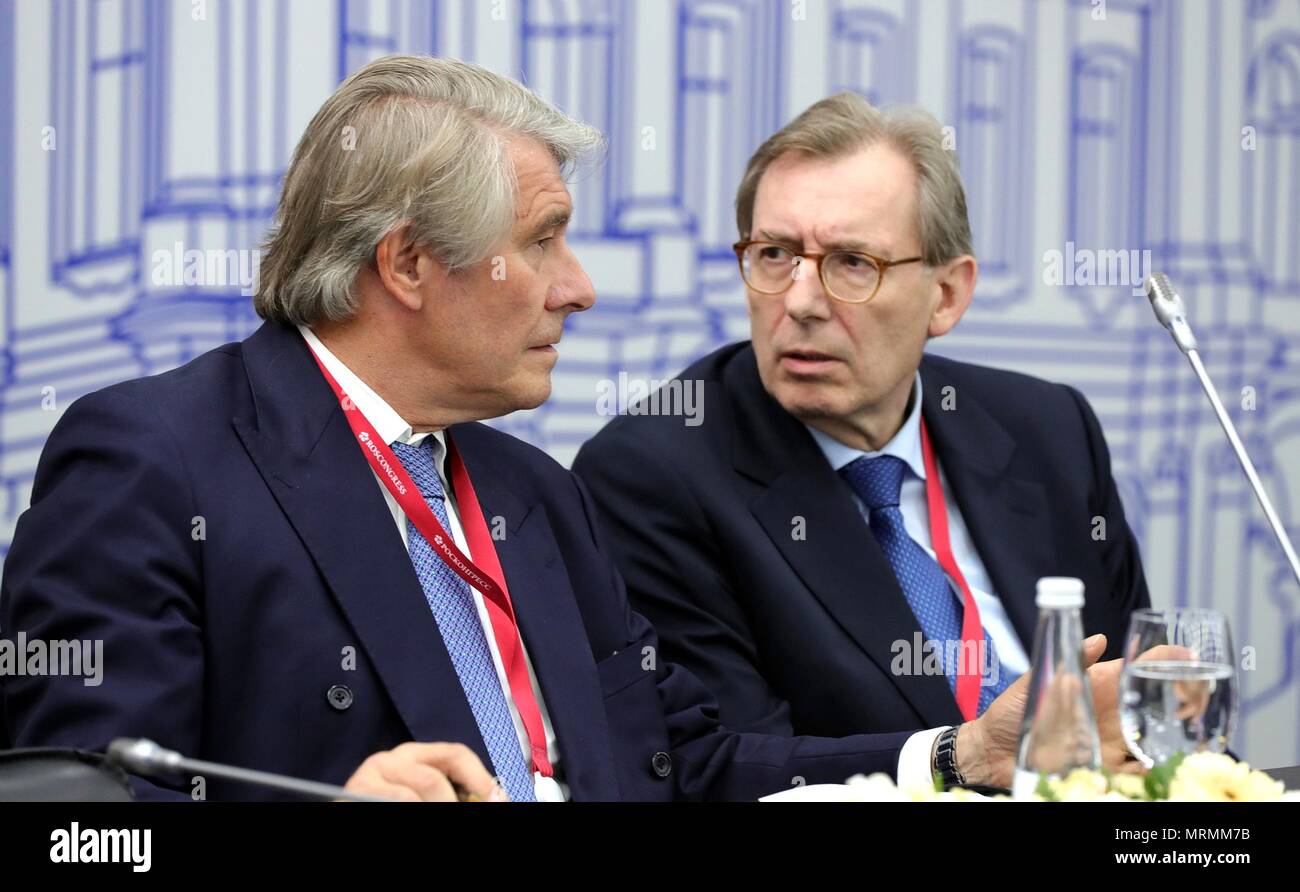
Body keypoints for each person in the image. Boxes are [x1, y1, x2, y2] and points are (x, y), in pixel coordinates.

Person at [2, 61, 1131, 801]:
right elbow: (80, 824)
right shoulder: (155, 458)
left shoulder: (528, 489)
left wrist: (955, 754)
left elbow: (684, 760)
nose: (578, 288)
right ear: (406, 264)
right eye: (543, 242)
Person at [574, 92, 1149, 782]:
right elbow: (718, 766)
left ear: (947, 294)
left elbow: (1136, 703)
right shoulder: (653, 473)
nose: (801, 301)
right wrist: (956, 759)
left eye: (852, 263)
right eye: (775, 254)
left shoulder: (1046, 428)